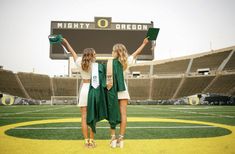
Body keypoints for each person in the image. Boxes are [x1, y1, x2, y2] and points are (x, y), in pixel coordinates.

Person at [110, 37, 149, 148]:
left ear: (116, 51)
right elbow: (136, 53)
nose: (112, 52)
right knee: (123, 114)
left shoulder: (110, 63)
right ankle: (121, 139)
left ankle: (113, 138)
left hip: (112, 90)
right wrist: (144, 43)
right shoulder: (126, 61)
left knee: (112, 114)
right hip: (123, 90)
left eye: (113, 51)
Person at [61, 38, 96, 148]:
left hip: (84, 90)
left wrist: (66, 42)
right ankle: (92, 140)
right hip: (93, 90)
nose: (96, 55)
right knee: (92, 118)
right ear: (91, 55)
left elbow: (72, 52)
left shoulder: (80, 63)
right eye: (94, 53)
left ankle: (86, 142)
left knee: (84, 117)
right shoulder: (96, 66)